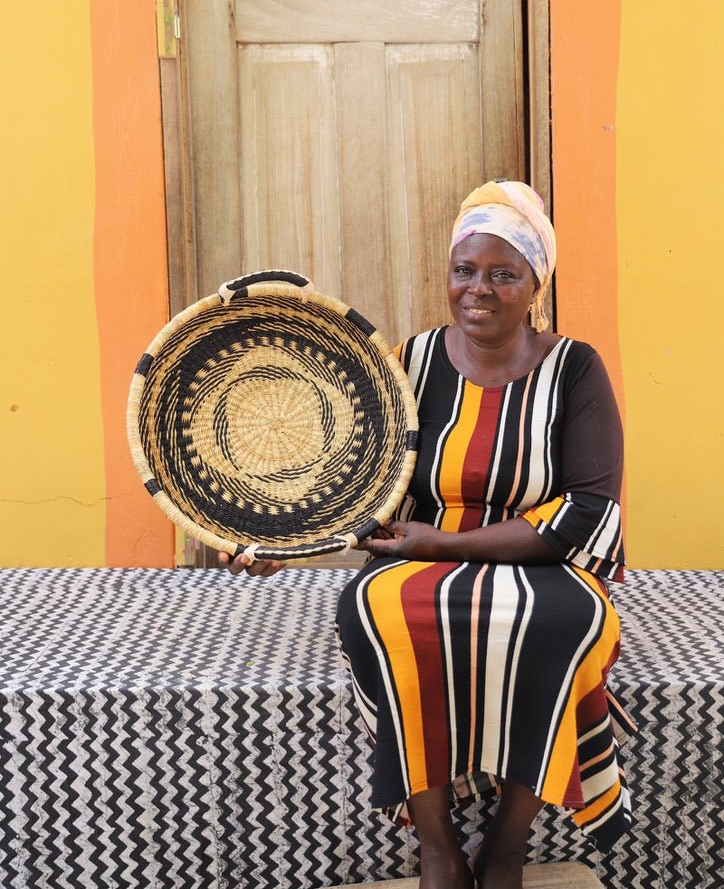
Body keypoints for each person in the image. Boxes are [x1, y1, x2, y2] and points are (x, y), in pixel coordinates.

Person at [221, 181, 633, 889]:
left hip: (540, 558)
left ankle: (508, 843)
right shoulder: (410, 361)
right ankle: (438, 844)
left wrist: (438, 546)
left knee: (567, 622)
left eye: (504, 274)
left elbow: (586, 516)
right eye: (464, 270)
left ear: (536, 283)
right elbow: (357, 486)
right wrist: (281, 543)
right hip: (420, 549)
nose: (478, 289)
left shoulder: (576, 369)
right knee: (377, 610)